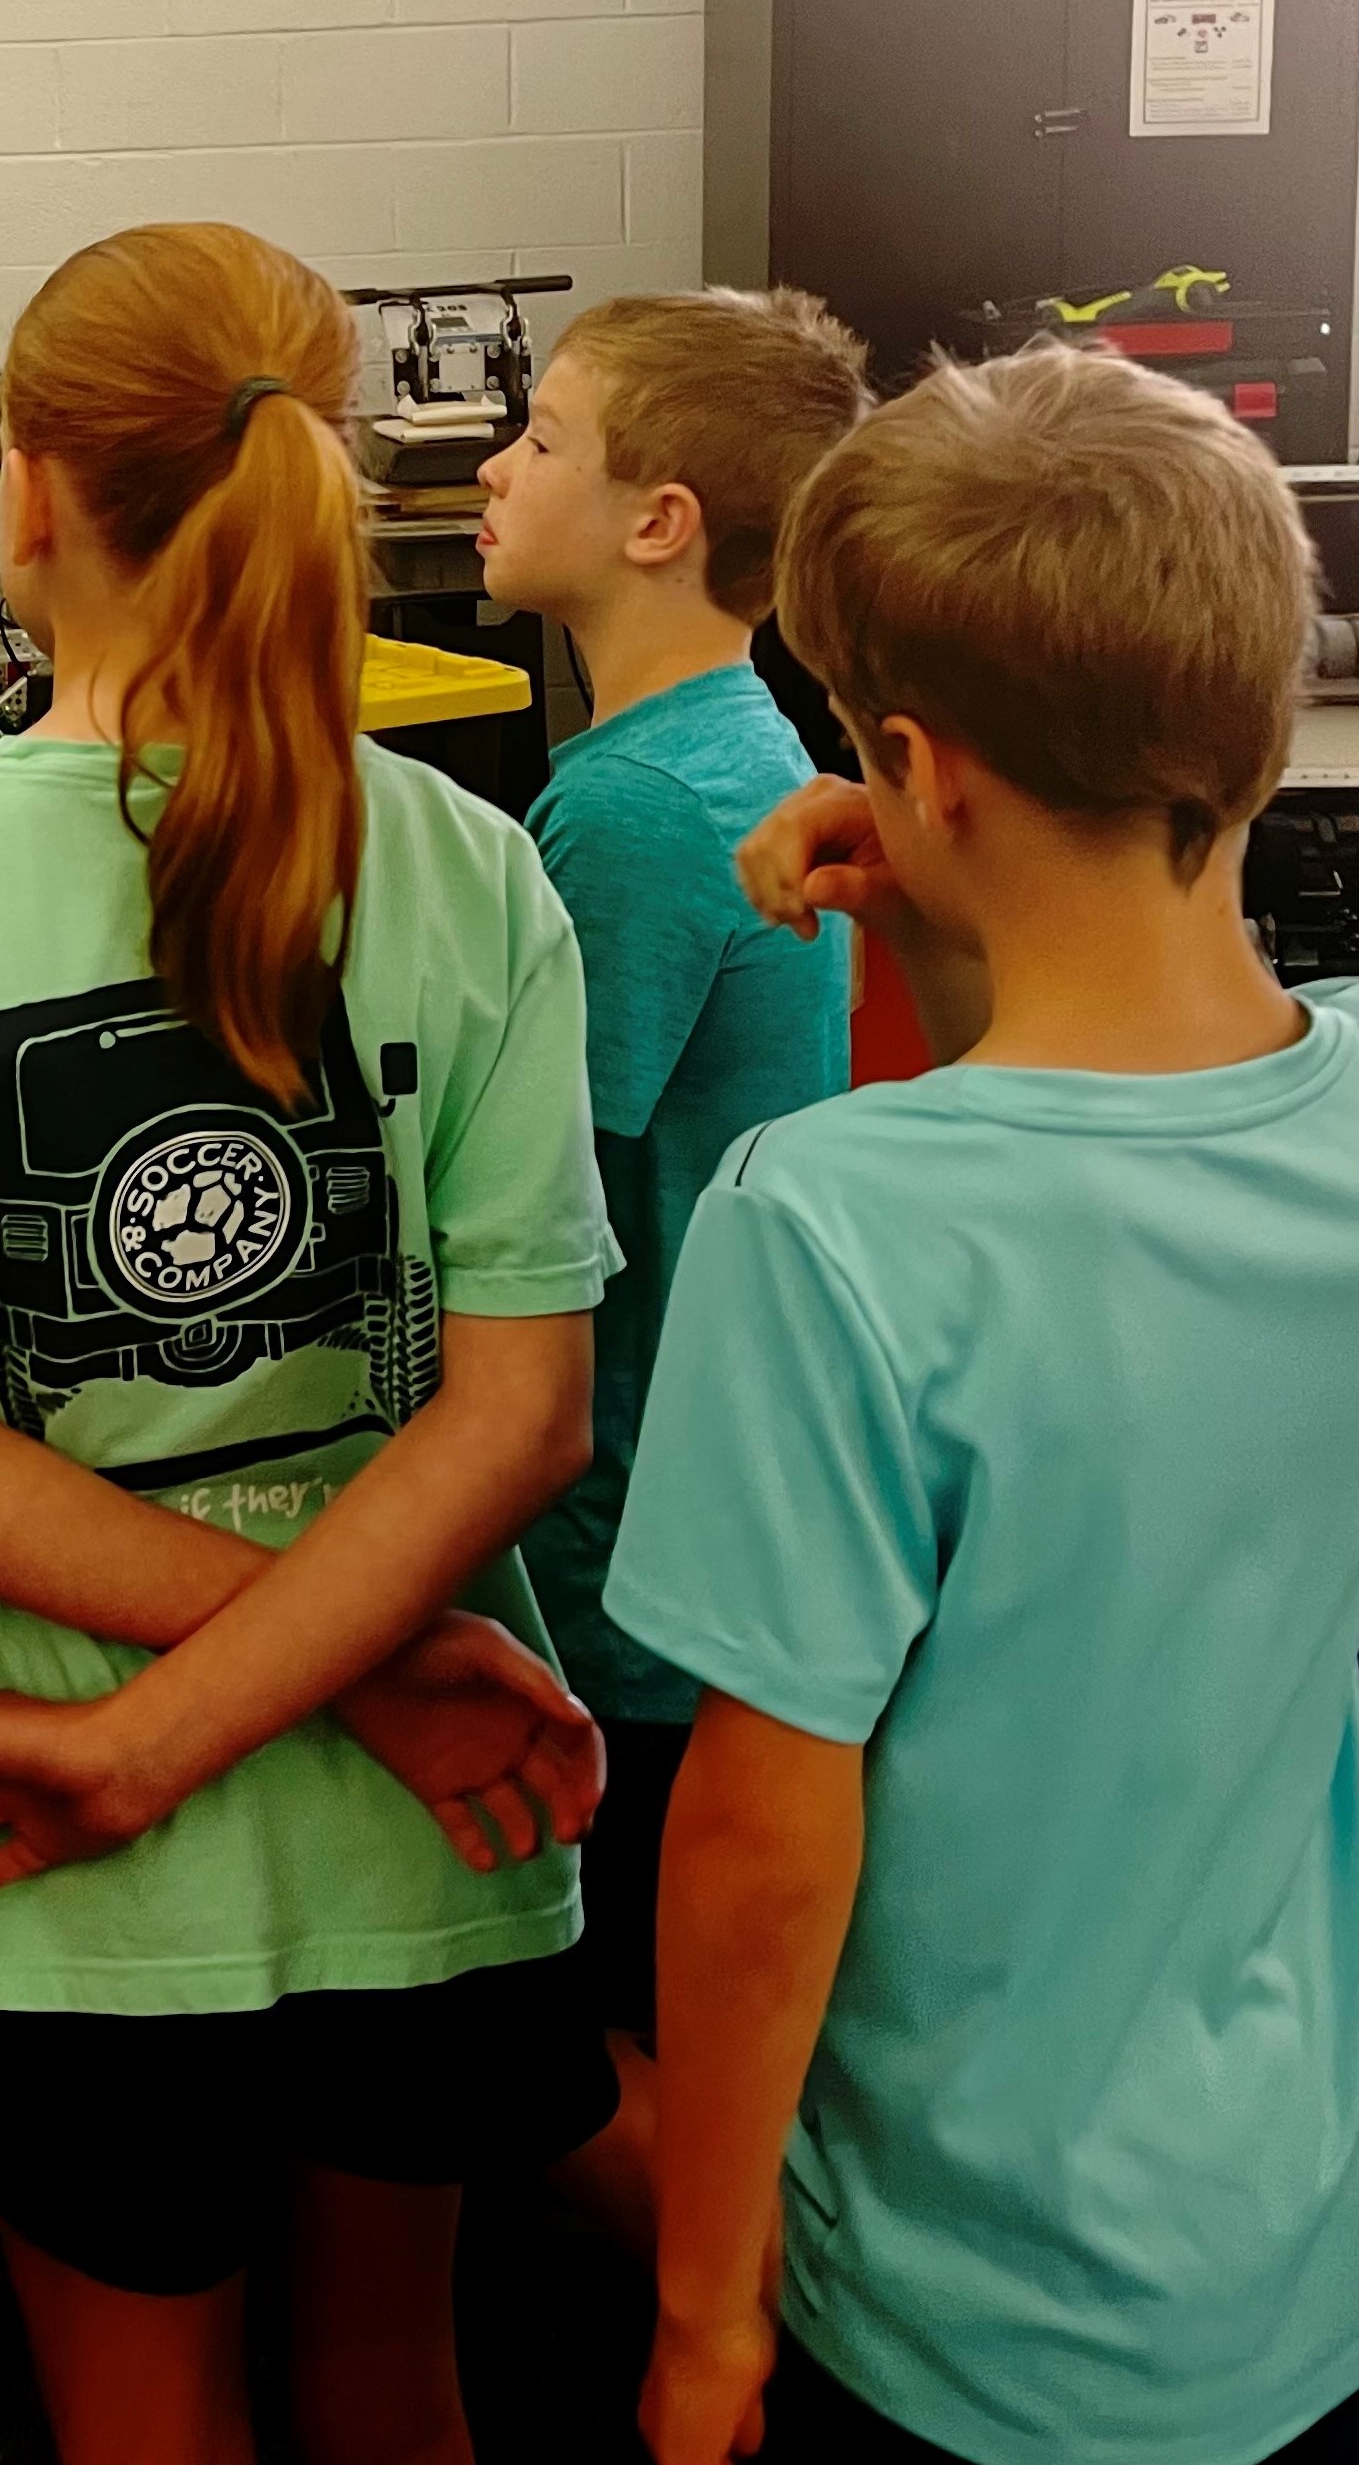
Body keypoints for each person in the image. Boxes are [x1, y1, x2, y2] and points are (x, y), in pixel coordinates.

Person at [0, 223, 622, 2465]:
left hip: (74, 1854)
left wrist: (149, 1739)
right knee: (404, 2385)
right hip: (433, 1813)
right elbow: (522, 1415)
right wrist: (371, 1666)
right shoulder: (474, 870)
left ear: (26, 499)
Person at [605, 347, 1359, 2465]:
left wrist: (700, 2311)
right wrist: (947, 918)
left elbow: (762, 1844)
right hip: (1286, 2251)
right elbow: (1090, 1169)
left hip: (965, 2314)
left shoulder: (830, 1224)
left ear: (916, 765)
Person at [469, 288, 869, 2070]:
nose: (494, 464)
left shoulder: (632, 814)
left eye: (541, 436)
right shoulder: (714, 752)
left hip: (621, 1570)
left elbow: (529, 1196)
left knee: (593, 2072)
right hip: (686, 1532)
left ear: (660, 520)